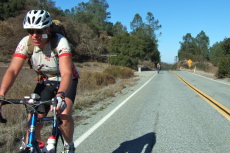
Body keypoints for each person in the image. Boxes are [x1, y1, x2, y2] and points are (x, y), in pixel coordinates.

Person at [0, 10, 79, 153]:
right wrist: (1, 95)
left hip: (66, 80)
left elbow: (67, 73)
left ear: (47, 29)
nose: (34, 35)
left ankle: (69, 146)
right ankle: (35, 146)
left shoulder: (60, 41)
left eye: (39, 31)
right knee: (34, 118)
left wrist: (61, 96)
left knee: (63, 114)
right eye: (30, 31)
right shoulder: (26, 43)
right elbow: (12, 70)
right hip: (45, 81)